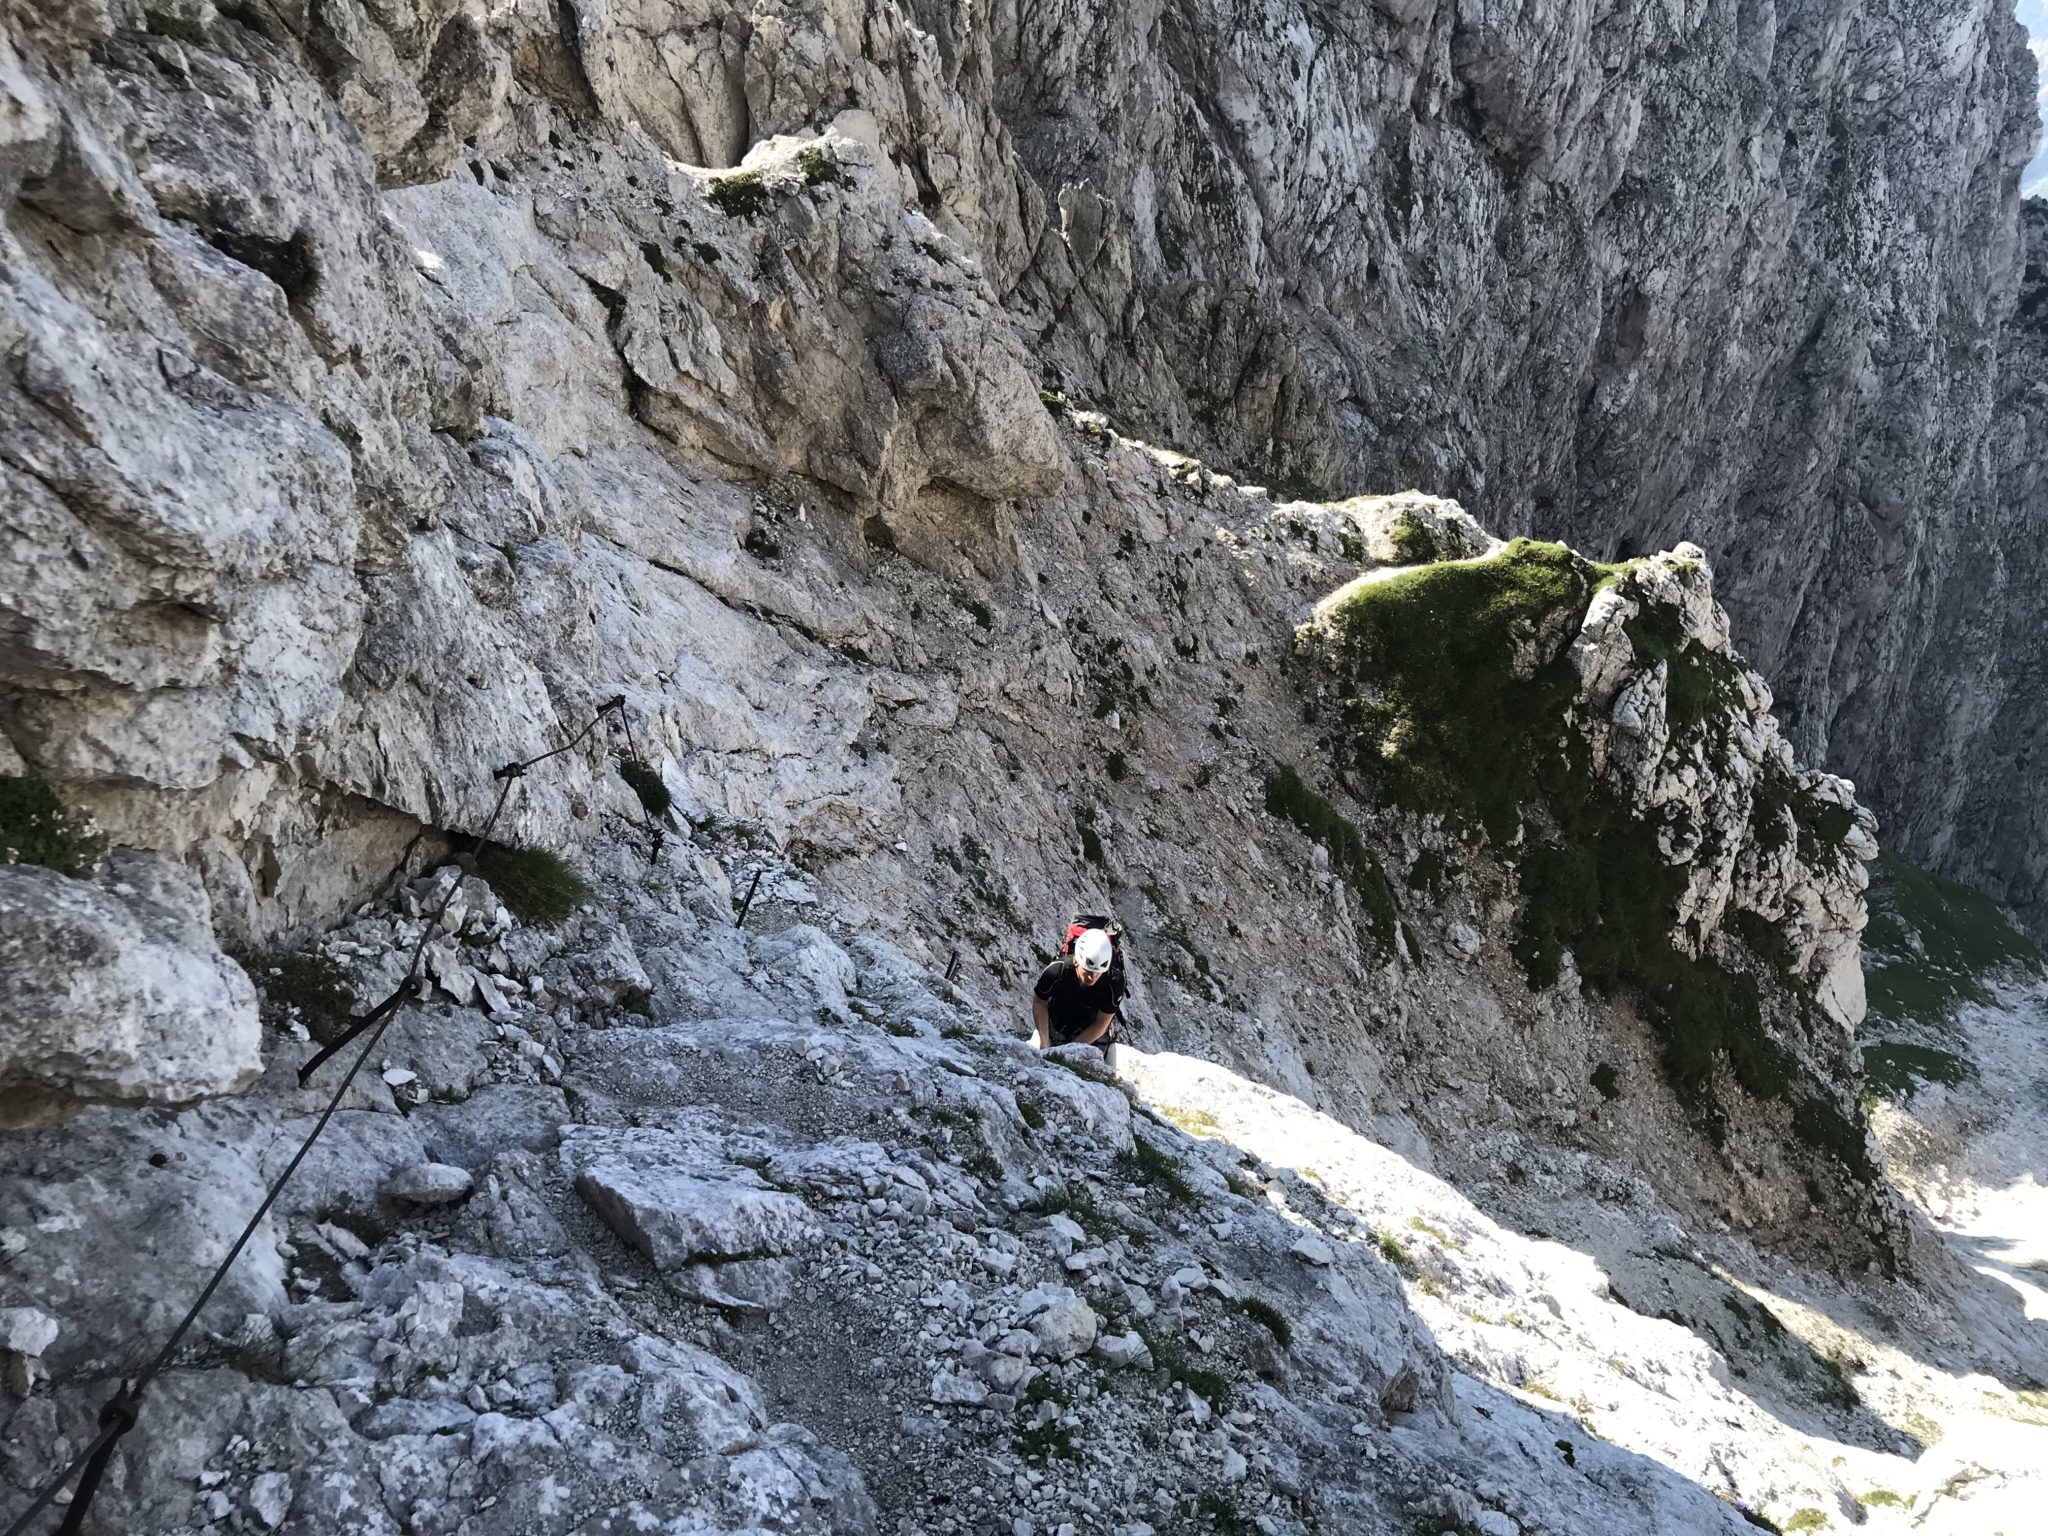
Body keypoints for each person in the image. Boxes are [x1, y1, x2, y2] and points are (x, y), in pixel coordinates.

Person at [1032, 926, 1125, 1071]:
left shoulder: (1114, 982)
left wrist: (1071, 1049)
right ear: (1076, 960)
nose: (1092, 977)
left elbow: (1101, 1024)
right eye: (1088, 971)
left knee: (1106, 1076)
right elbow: (1039, 1002)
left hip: (1094, 1035)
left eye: (1098, 972)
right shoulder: (1056, 971)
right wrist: (1044, 1042)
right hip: (1056, 1028)